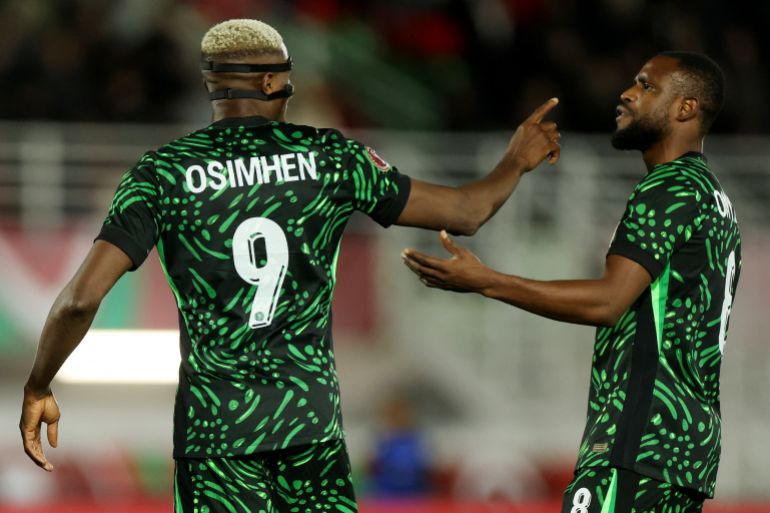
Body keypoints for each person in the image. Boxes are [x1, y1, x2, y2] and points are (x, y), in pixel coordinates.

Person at [19, 19, 560, 513]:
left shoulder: (162, 175)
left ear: (212, 84)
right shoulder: (332, 158)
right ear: (274, 82)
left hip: (217, 438)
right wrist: (515, 159)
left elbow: (80, 299)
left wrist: (39, 384)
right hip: (311, 426)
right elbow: (466, 212)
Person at [402, 51, 740, 512]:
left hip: (638, 440)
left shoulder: (668, 188)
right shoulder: (715, 198)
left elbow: (608, 301)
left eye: (646, 86)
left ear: (686, 108)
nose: (627, 93)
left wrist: (486, 281)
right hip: (682, 450)